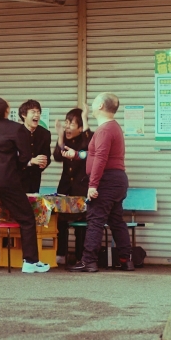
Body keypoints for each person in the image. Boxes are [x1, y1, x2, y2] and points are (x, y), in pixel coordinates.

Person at [0, 97, 50, 274]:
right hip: (8, 180)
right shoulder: (16, 129)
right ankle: (30, 261)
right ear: (7, 110)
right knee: (26, 218)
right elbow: (24, 157)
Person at [69, 92, 133, 272]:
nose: (92, 102)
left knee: (95, 220)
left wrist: (93, 185)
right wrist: (76, 154)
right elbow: (96, 155)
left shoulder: (105, 130)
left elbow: (101, 159)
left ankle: (88, 261)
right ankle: (125, 259)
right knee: (116, 220)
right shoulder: (113, 127)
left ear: (100, 106)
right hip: (117, 179)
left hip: (107, 180)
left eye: (96, 100)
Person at [53, 107, 93, 266]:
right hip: (65, 188)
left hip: (81, 189)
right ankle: (61, 253)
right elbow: (57, 156)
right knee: (61, 222)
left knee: (81, 225)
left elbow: (89, 147)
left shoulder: (88, 139)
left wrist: (86, 120)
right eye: (66, 123)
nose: (67, 127)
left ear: (81, 127)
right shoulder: (66, 141)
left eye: (71, 124)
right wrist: (60, 138)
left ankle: (79, 256)